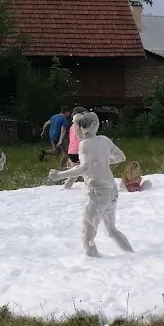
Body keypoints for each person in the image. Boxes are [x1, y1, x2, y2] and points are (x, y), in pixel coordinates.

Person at [49, 112, 133, 257]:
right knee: (111, 230)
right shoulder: (105, 140)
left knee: (87, 235)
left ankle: (93, 265)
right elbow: (121, 157)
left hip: (97, 192)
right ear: (96, 124)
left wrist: (59, 175)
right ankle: (133, 256)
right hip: (112, 191)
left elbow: (83, 168)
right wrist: (102, 161)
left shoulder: (85, 144)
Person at [61, 106, 88, 190]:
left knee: (77, 172)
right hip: (78, 151)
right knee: (83, 171)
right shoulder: (81, 125)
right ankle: (65, 187)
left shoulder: (72, 125)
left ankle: (66, 187)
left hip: (72, 151)